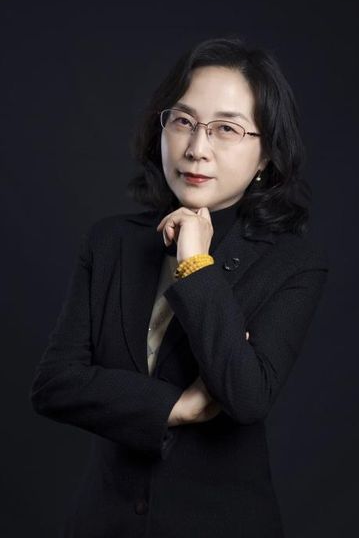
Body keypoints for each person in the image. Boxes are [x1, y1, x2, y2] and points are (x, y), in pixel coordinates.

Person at [30, 36, 329, 538]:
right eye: (183, 121)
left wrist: (195, 264)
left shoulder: (293, 264)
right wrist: (177, 408)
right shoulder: (111, 243)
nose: (196, 148)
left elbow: (246, 396)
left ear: (266, 156)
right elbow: (54, 385)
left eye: (226, 129)